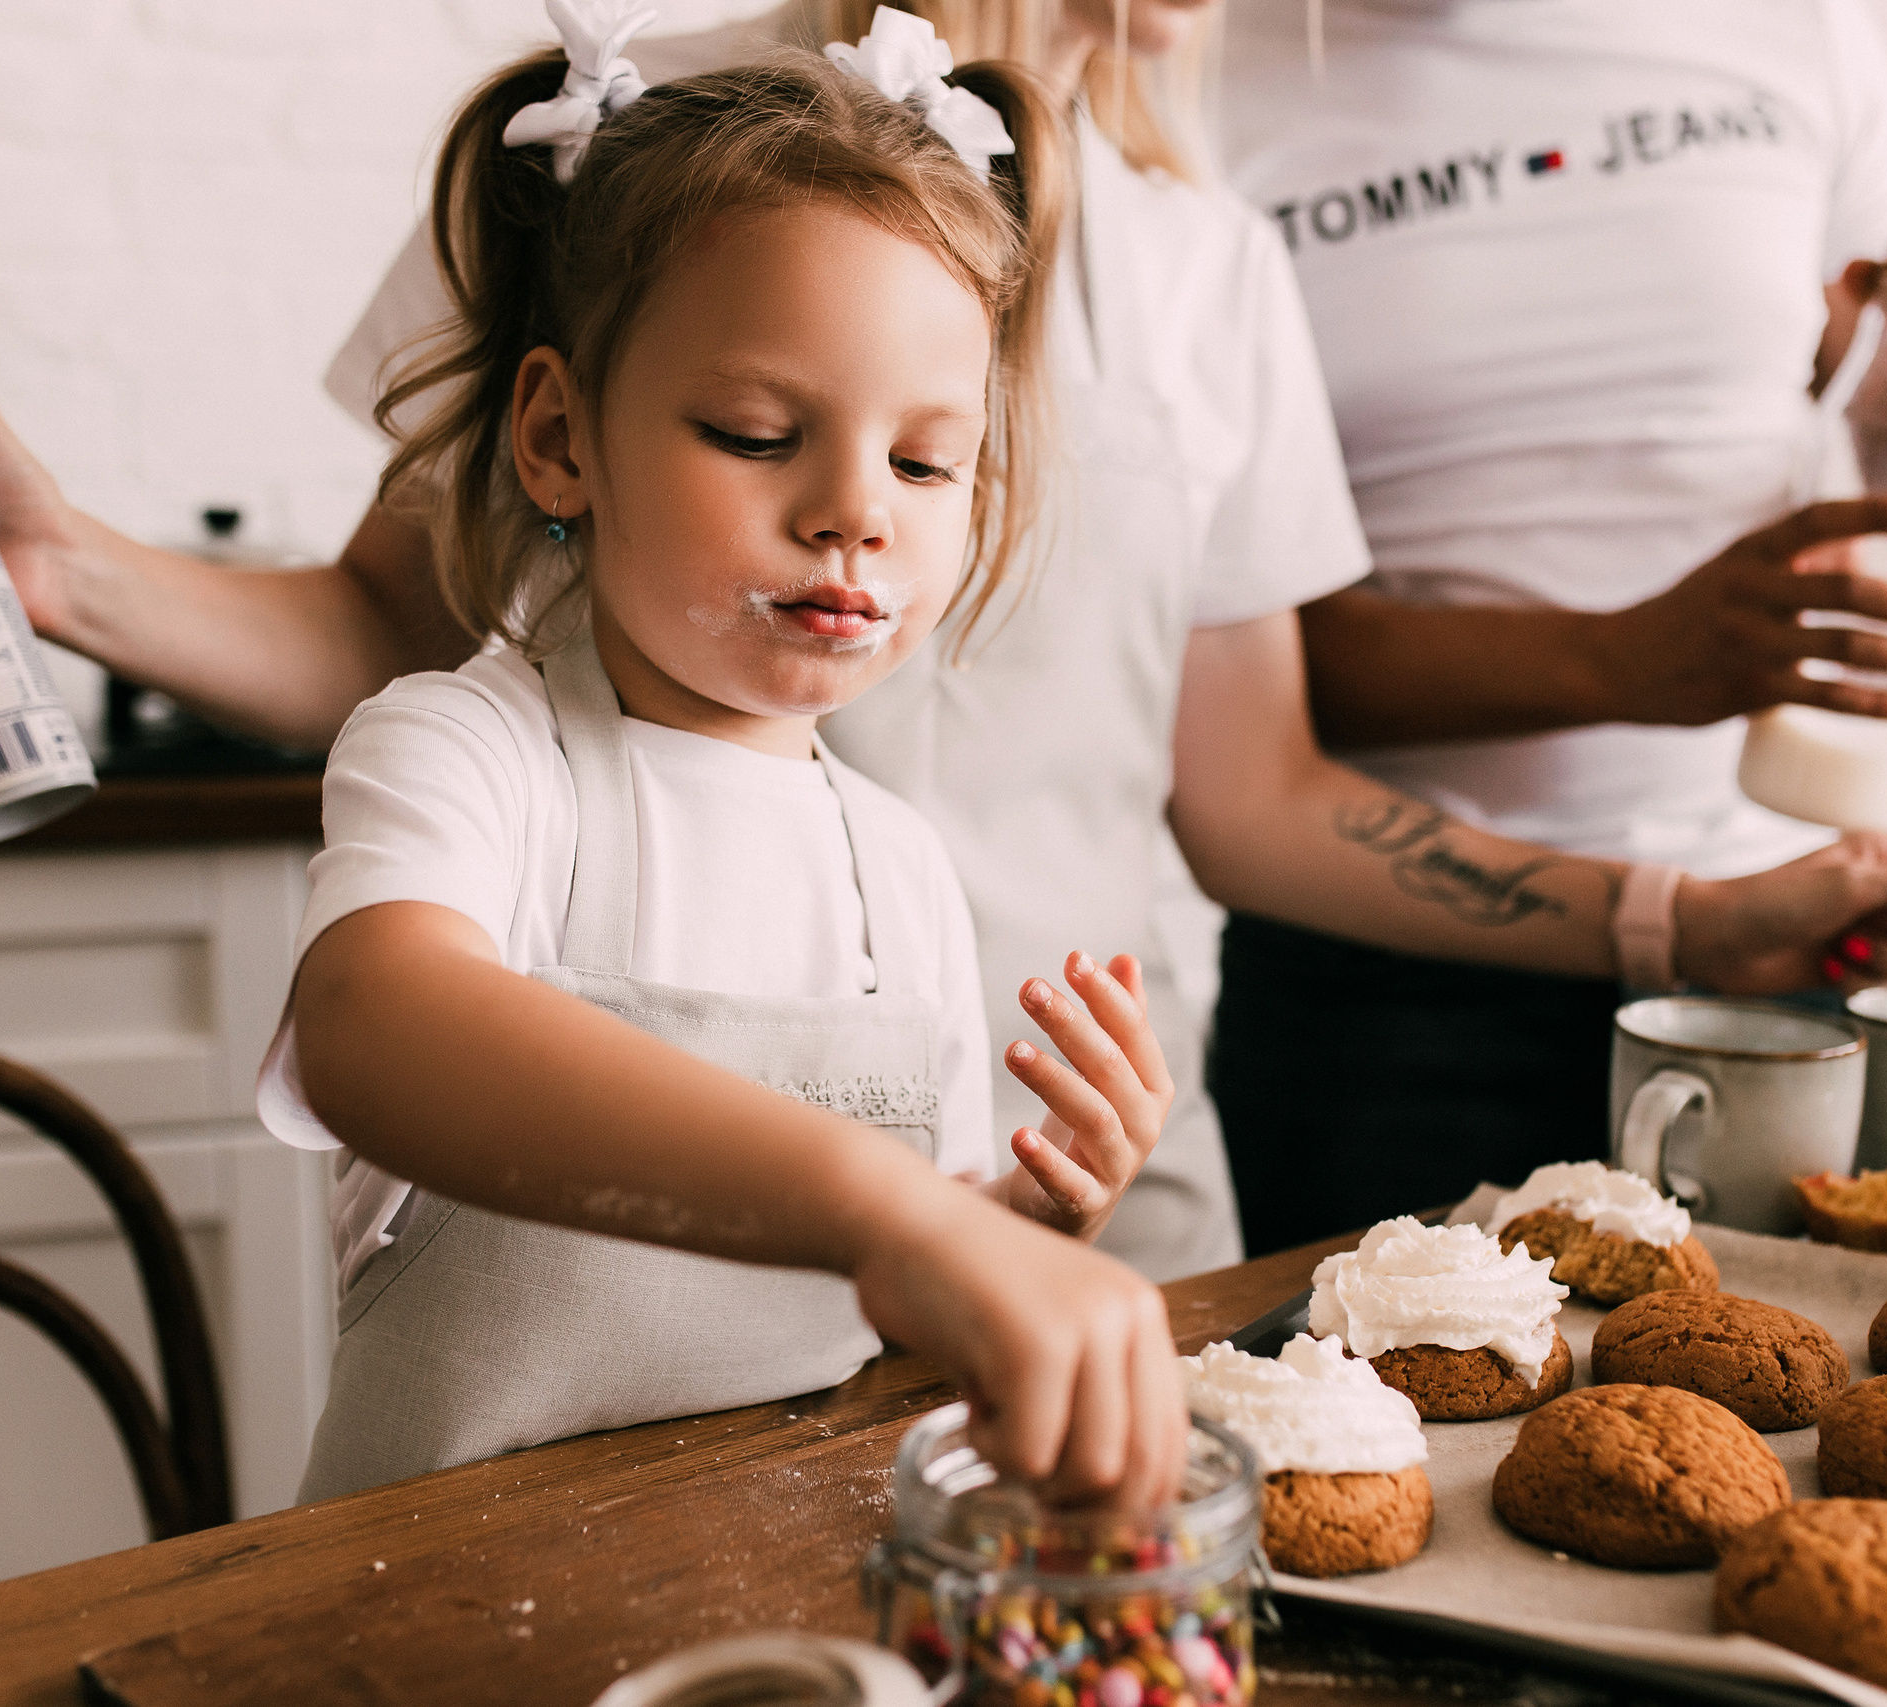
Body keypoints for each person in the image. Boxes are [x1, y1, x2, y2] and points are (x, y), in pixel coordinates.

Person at [0, 0, 1887, 1293]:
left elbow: (1255, 798)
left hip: (1076, 1181)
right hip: (619, 1177)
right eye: (755, 435)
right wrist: (64, 576)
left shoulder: (1206, 263)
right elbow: (379, 625)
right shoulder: (624, 151)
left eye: (929, 459)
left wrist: (1680, 916)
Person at [266, 15, 1204, 1502]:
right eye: (757, 432)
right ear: (560, 437)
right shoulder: (470, 754)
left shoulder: (898, 872)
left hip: (775, 1598)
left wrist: (1015, 1232)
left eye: (923, 461)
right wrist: (891, 1213)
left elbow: (881, 1328)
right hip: (438, 1604)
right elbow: (372, 1032)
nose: (854, 512)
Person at [1208, 0, 1887, 1253]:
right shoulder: (1193, 79)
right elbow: (1222, 682)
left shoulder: (1796, 30)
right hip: (1392, 977)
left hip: (1779, 944)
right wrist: (1627, 660)